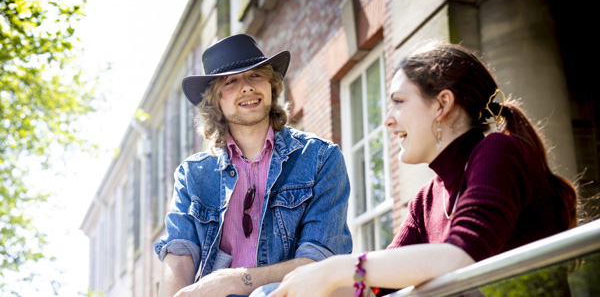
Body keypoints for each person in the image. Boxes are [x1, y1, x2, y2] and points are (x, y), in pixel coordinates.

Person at [268, 43, 578, 297]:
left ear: (442, 105)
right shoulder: (426, 199)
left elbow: (461, 257)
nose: (388, 119)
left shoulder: (497, 151)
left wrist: (335, 269)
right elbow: (377, 286)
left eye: (399, 101)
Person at [154, 34, 352, 297]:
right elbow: (178, 256)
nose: (247, 87)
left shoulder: (320, 158)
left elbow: (319, 262)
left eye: (256, 75)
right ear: (215, 100)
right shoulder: (192, 175)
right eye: (232, 81)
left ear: (271, 85)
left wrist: (237, 280)